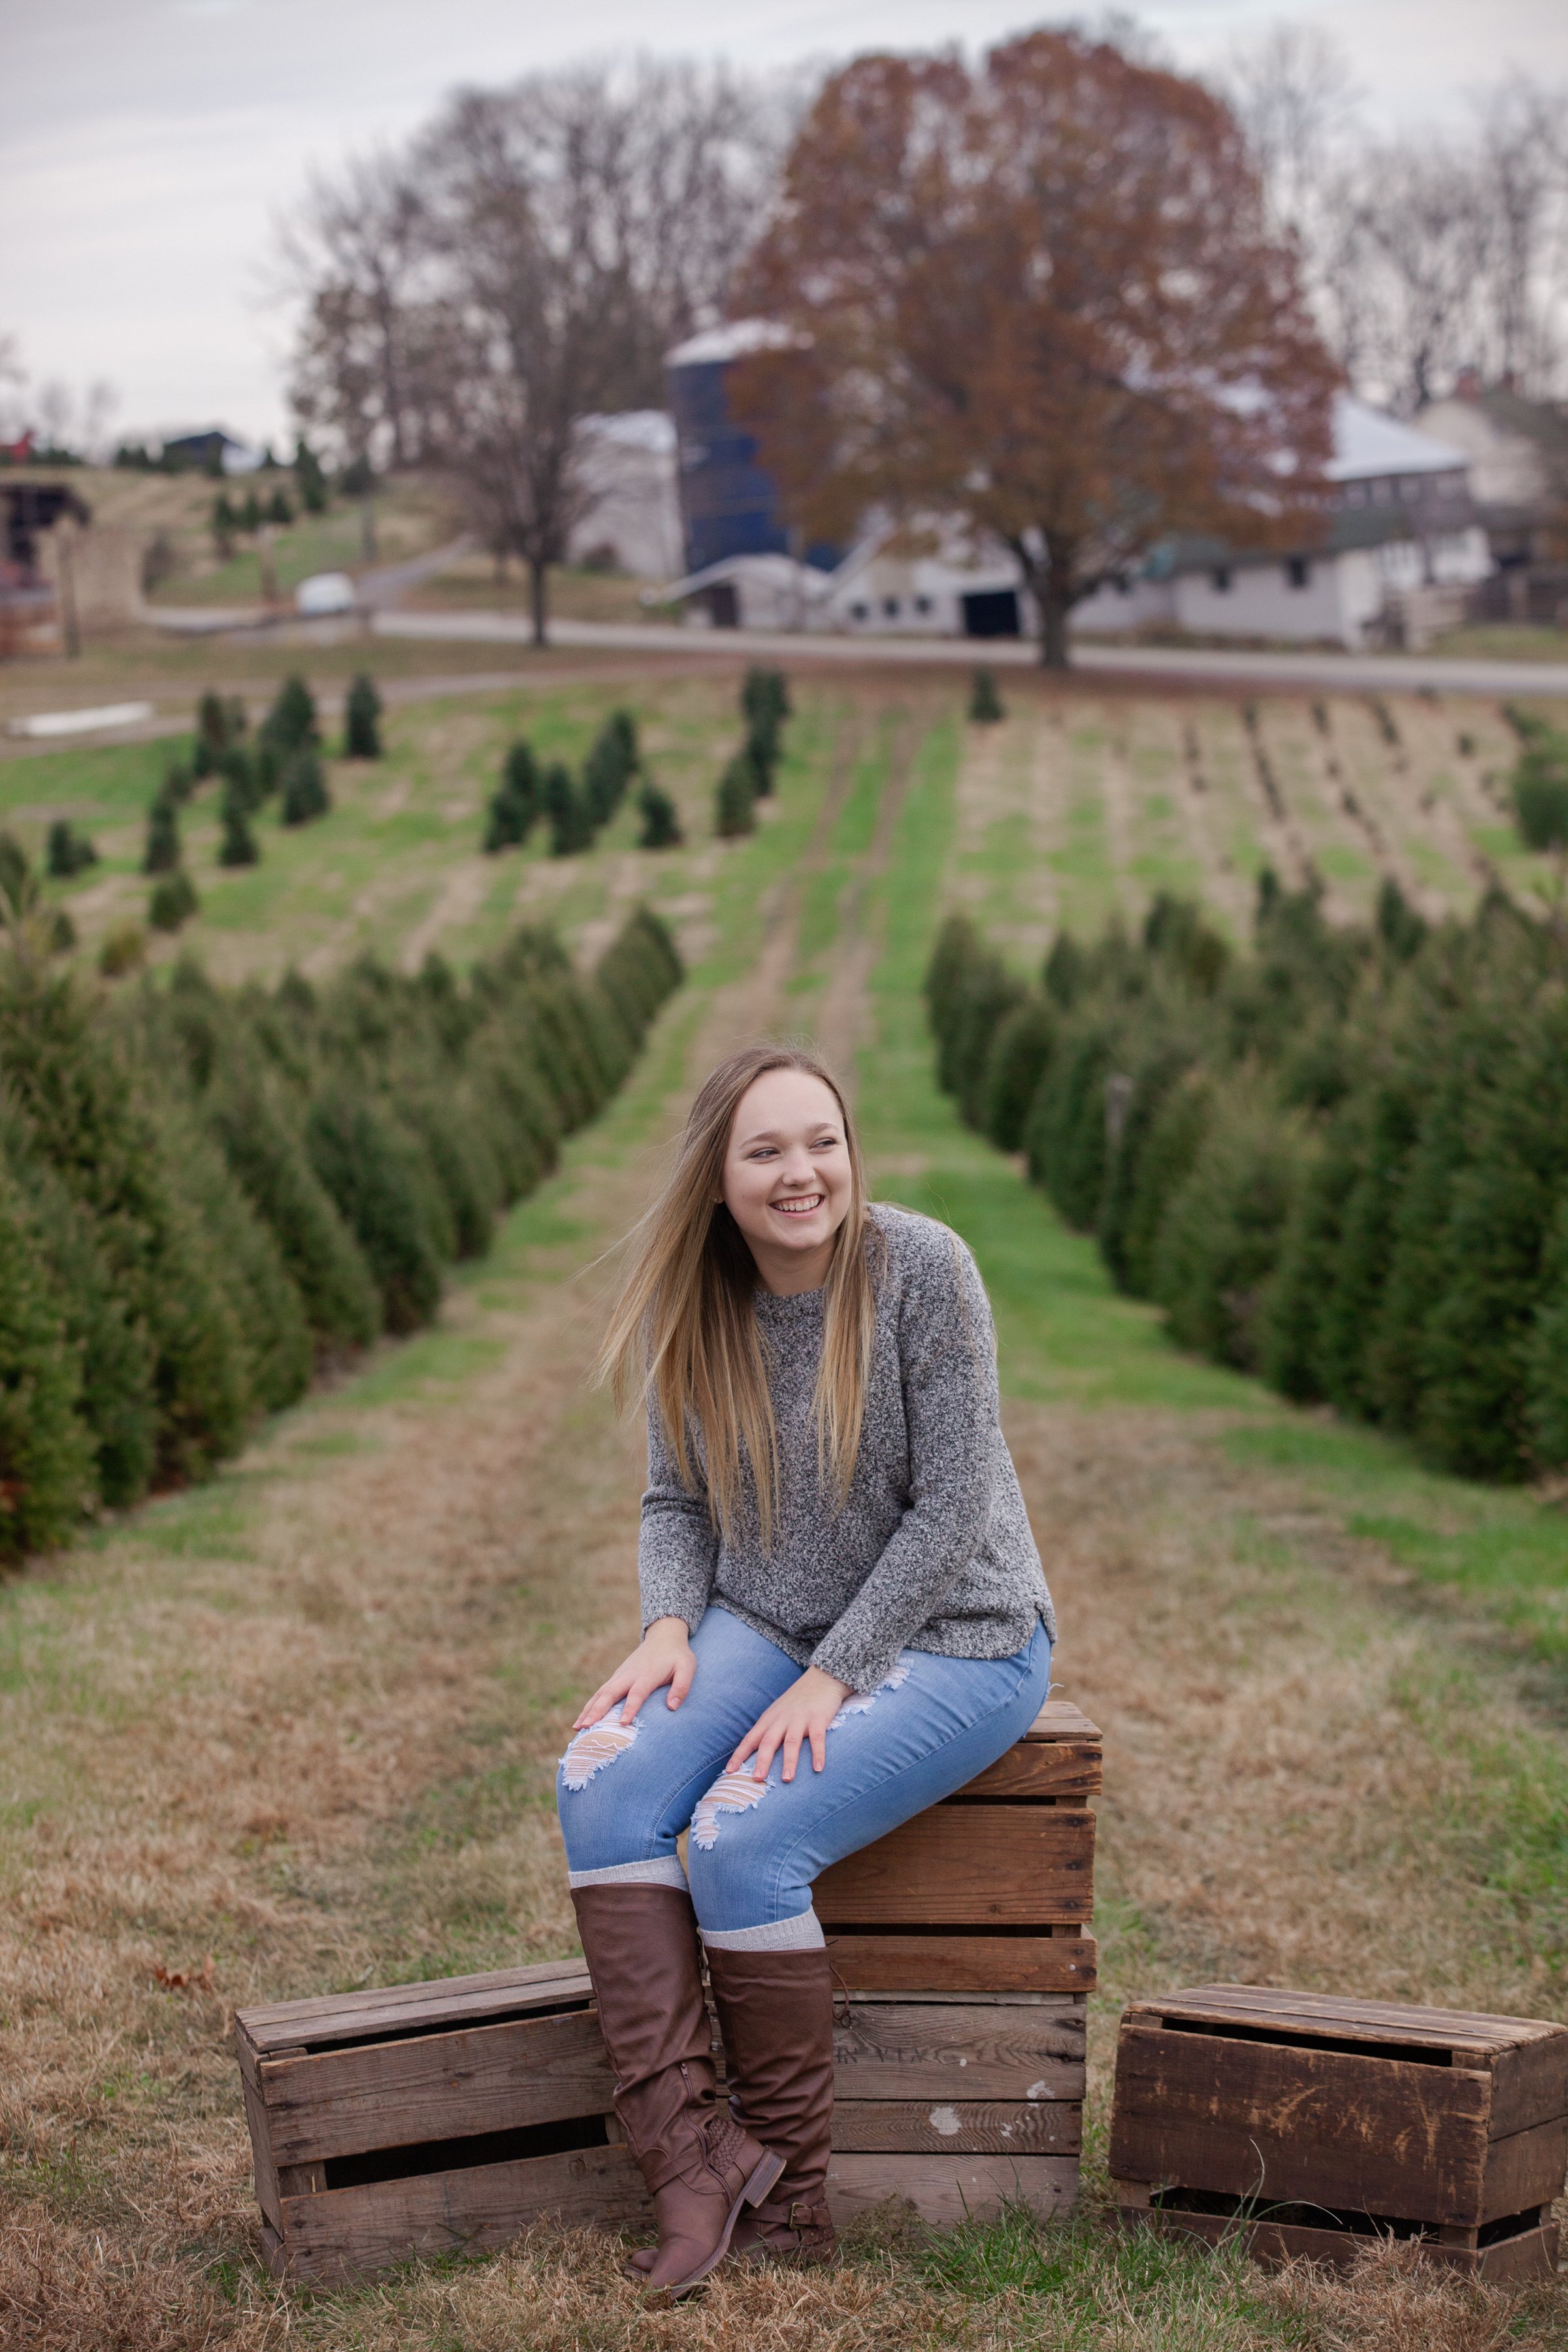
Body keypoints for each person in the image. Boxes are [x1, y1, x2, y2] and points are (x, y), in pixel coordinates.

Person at [557, 1043, 1056, 2295]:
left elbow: (952, 1510)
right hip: (767, 1617)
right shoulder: (696, 1302)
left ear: (850, 1153)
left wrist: (835, 1675)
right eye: (766, 1150)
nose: (802, 1173)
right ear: (717, 1178)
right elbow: (676, 1501)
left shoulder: (922, 1269)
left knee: (738, 1844)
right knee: (600, 1783)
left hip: (961, 1632)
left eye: (822, 1142)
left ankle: (791, 2215)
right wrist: (668, 1625)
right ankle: (692, 2166)